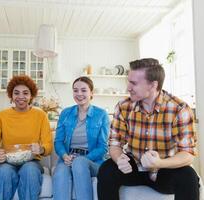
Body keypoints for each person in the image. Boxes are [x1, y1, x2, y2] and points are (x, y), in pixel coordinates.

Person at [97, 58, 199, 200]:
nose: (128, 88)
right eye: (128, 81)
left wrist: (160, 163)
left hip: (165, 168)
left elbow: (188, 154)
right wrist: (119, 158)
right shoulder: (123, 106)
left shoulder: (179, 109)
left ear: (153, 85)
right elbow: (115, 144)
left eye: (133, 83)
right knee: (106, 170)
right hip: (133, 167)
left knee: (189, 177)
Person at [0, 75, 53, 200]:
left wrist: (40, 149)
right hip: (7, 162)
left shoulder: (40, 115)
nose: (21, 97)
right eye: (16, 93)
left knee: (29, 170)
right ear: (11, 95)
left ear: (31, 96)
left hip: (32, 162)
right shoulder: (1, 116)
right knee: (3, 172)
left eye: (25, 93)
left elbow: (48, 145)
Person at [53, 76, 110, 200]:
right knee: (60, 173)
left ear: (91, 93)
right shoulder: (65, 113)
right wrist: (64, 156)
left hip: (93, 161)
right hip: (68, 158)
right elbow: (58, 141)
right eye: (75, 90)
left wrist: (82, 159)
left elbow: (103, 147)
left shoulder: (101, 114)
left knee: (79, 162)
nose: (79, 94)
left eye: (84, 90)